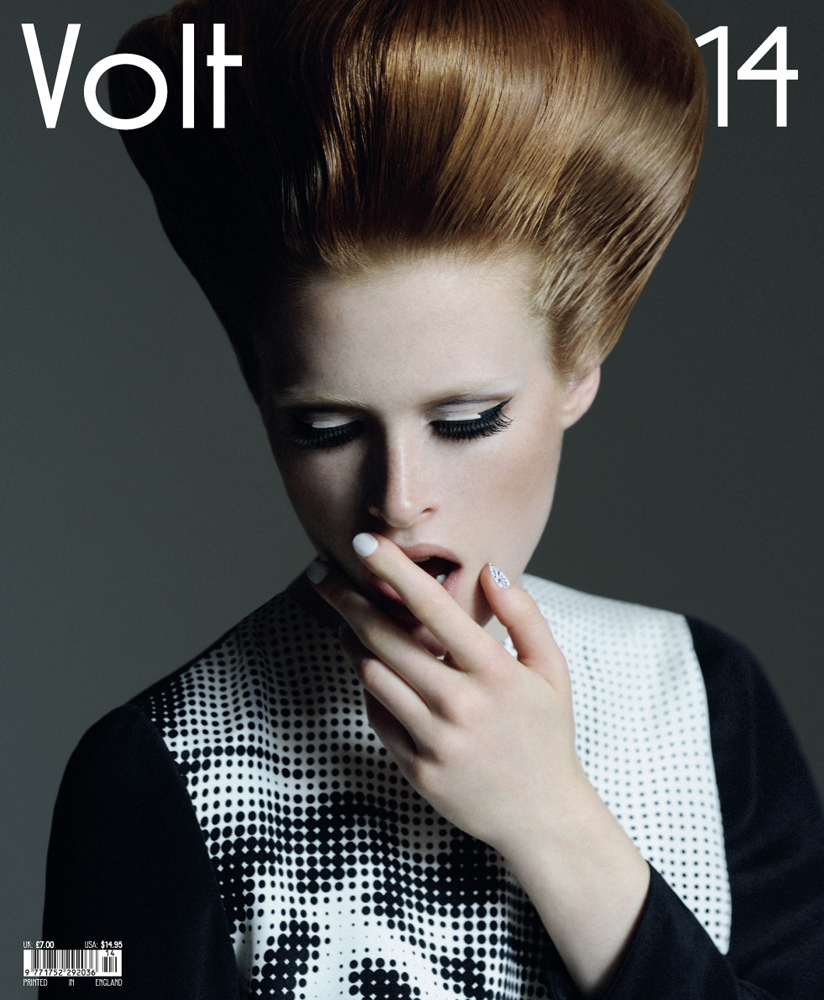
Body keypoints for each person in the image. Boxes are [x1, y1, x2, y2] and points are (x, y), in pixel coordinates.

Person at [40, 0, 824, 997]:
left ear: (577, 369)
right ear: (258, 389)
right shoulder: (145, 766)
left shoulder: (703, 697)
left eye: (466, 420)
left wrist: (551, 818)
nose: (399, 501)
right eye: (325, 428)